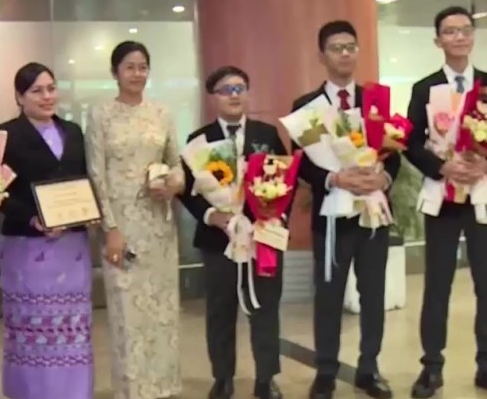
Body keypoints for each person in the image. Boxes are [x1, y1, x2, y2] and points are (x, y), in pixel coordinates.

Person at [291, 21, 400, 399]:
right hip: (331, 218)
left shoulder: (375, 101)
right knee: (328, 296)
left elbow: (393, 151)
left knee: (373, 294)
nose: (345, 54)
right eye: (336, 48)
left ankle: (369, 368)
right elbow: (300, 164)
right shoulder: (306, 107)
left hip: (373, 215)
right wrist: (334, 178)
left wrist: (383, 178)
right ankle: (325, 371)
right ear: (321, 56)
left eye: (351, 47)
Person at [179, 66, 285, 399]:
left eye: (240, 88)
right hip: (219, 240)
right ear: (213, 98)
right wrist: (213, 215)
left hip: (262, 237)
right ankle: (222, 377)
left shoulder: (267, 134)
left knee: (265, 308)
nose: (234, 95)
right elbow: (187, 191)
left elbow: (286, 180)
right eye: (226, 90)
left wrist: (272, 215)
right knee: (220, 310)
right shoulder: (198, 140)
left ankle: (266, 378)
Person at [85, 41, 183, 399]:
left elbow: (177, 163)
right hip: (121, 227)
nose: (137, 74)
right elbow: (96, 175)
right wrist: (109, 228)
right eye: (129, 67)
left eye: (143, 67)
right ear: (115, 72)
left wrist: (174, 184)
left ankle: (163, 387)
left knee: (163, 312)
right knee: (127, 313)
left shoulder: (162, 113)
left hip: (159, 225)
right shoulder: (101, 114)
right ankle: (132, 390)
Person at [0, 62, 94, 399]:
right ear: (19, 96)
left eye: (51, 88)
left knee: (71, 327)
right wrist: (32, 218)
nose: (47, 96)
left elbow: (83, 179)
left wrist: (88, 211)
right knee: (32, 326)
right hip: (27, 244)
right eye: (36, 90)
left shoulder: (73, 131)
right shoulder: (4, 136)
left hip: (72, 245)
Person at [404, 6, 487, 399]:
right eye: (450, 31)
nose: (459, 37)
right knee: (437, 285)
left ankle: (486, 364)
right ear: (438, 40)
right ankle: (431, 368)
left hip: (483, 196)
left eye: (465, 30)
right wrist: (443, 167)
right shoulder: (425, 88)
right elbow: (410, 142)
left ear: (473, 36)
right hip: (443, 198)